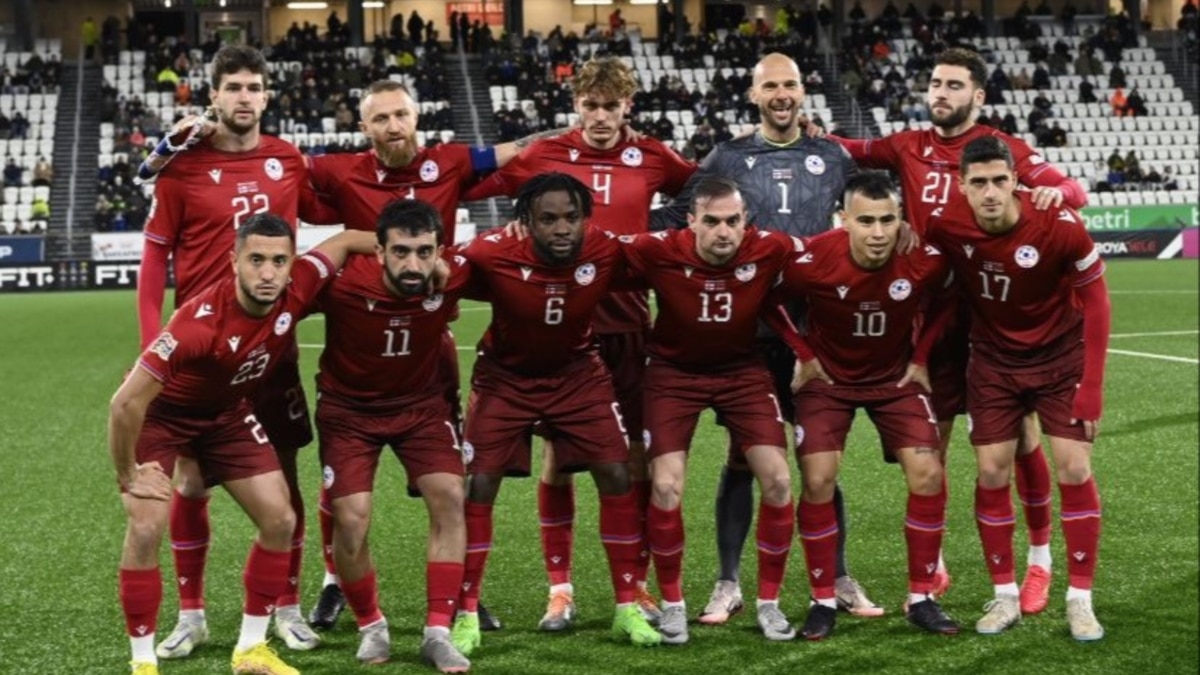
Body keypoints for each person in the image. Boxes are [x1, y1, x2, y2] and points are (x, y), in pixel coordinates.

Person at [831, 47, 1089, 615]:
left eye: (953, 85)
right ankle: (936, 561)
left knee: (1021, 443)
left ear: (978, 95)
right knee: (932, 443)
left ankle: (1040, 561)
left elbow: (1071, 190)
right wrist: (808, 132)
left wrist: (1056, 192)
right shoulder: (905, 145)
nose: (940, 93)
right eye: (935, 83)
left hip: (992, 317)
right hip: (931, 318)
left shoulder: (1005, 151)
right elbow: (850, 151)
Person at [463, 56, 695, 630]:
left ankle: (634, 586)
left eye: (610, 106)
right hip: (561, 332)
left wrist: (658, 229)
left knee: (633, 461)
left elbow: (703, 192)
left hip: (628, 327)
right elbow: (469, 185)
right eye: (590, 105)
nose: (599, 116)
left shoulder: (653, 155)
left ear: (628, 107)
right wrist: (518, 220)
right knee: (558, 462)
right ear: (576, 105)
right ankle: (559, 589)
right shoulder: (543, 154)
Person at [649, 52, 869, 623]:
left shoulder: (832, 154)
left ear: (802, 90)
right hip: (750, 332)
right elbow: (676, 216)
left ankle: (839, 574)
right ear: (753, 94)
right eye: (770, 85)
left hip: (818, 330)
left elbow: (871, 211)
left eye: (789, 85)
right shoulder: (729, 155)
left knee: (819, 458)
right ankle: (728, 581)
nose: (781, 94)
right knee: (743, 458)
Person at [111, 214, 374, 675]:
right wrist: (128, 474)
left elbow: (349, 240)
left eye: (279, 260)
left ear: (293, 262)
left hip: (228, 415)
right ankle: (142, 662)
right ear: (234, 261)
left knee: (280, 518)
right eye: (256, 260)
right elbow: (125, 403)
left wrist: (427, 252)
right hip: (162, 418)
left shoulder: (299, 285)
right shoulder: (198, 323)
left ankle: (250, 650)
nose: (268, 273)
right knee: (147, 527)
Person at [136, 45, 325, 660]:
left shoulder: (288, 160)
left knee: (286, 474)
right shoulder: (182, 168)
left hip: (272, 351)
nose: (244, 97)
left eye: (254, 87)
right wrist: (149, 339)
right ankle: (192, 615)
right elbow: (155, 256)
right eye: (233, 87)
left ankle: (288, 607)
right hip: (202, 355)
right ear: (212, 94)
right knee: (191, 484)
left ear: (268, 95)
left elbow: (326, 218)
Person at [448, 174, 661, 657]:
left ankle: (626, 605)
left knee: (616, 471)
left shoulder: (605, 249)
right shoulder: (489, 251)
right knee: (478, 484)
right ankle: (466, 613)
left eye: (571, 218)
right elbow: (438, 270)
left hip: (578, 374)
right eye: (548, 219)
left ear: (586, 218)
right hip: (505, 378)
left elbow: (672, 259)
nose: (562, 229)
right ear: (526, 223)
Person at [927, 136, 1109, 641]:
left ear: (1016, 182)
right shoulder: (946, 226)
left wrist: (1091, 388)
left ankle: (1080, 599)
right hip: (992, 362)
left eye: (999, 181)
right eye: (979, 183)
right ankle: (1004, 593)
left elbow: (1097, 302)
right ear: (962, 186)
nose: (990, 192)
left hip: (1059, 358)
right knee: (990, 472)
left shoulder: (1058, 225)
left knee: (1074, 465)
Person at [773, 172, 958, 639]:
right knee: (817, 479)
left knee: (929, 473)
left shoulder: (922, 260)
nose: (878, 233)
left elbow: (951, 299)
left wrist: (921, 357)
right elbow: (765, 300)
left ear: (901, 220)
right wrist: (804, 353)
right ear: (844, 220)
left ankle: (921, 597)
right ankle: (822, 599)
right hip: (828, 382)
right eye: (866, 221)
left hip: (895, 380)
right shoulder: (812, 259)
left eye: (888, 220)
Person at [628, 177, 805, 644]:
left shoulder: (771, 248)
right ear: (691, 221)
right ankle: (672, 606)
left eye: (733, 221)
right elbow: (596, 252)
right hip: (672, 375)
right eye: (712, 222)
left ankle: (769, 603)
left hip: (742, 373)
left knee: (779, 479)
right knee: (665, 486)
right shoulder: (657, 248)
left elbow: (828, 250)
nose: (724, 232)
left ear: (746, 221)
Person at [308, 199, 472, 670]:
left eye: (424, 252)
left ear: (440, 250)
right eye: (400, 252)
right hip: (348, 411)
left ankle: (438, 631)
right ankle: (371, 625)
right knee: (352, 519)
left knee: (449, 496)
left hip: (420, 408)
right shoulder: (340, 286)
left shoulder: (454, 277)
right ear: (378, 252)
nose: (413, 264)